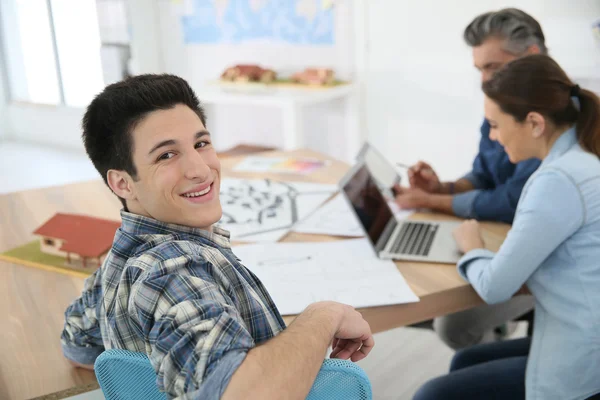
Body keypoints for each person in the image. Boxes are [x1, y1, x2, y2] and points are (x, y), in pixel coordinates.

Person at [60, 74, 375, 399]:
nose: (200, 169)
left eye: (200, 143)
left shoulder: (120, 259)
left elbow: (77, 345)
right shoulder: (171, 271)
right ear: (123, 183)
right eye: (166, 155)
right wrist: (322, 316)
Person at [414, 54, 600, 400]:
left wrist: (473, 246)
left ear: (534, 123)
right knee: (466, 360)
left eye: (496, 125)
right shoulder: (582, 156)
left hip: (583, 365)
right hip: (581, 336)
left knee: (432, 395)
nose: (494, 138)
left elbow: (494, 287)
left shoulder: (557, 180)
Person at [398, 8, 545, 350]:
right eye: (479, 69)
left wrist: (430, 202)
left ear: (531, 56)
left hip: (543, 265)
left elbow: (512, 200)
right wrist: (442, 188)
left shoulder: (552, 118)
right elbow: (483, 173)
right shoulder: (500, 100)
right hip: (501, 241)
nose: (483, 79)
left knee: (453, 324)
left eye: (493, 66)